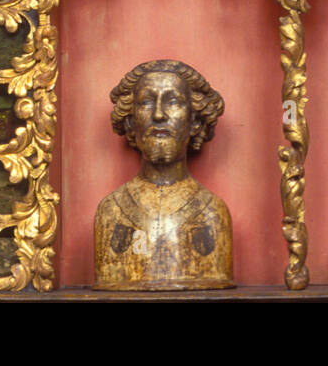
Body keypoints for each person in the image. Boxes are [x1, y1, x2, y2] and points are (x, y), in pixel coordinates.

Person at [94, 60, 234, 290]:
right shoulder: (110, 211)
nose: (159, 114)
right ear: (130, 121)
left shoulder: (212, 212)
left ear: (194, 122)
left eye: (174, 101)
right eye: (146, 102)